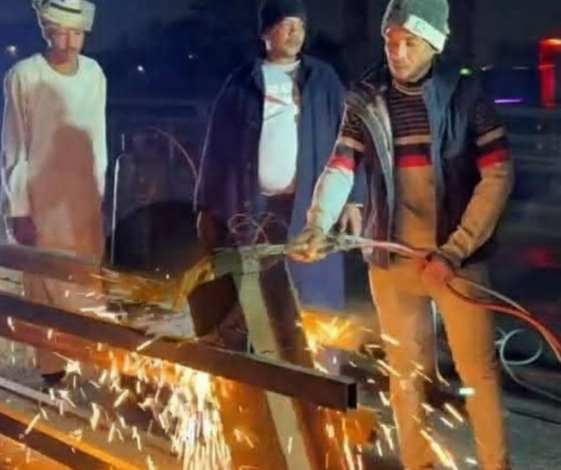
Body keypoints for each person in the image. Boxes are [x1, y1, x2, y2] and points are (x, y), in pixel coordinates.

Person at [292, 0, 513, 469]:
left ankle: (496, 464)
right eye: (391, 41)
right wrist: (317, 224)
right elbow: (341, 165)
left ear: (434, 44)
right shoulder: (366, 97)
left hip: (458, 260)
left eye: (409, 42)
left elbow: (498, 176)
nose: (397, 52)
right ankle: (418, 463)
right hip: (392, 260)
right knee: (405, 373)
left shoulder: (466, 95)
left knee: (478, 371)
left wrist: (455, 251)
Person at [194, 0, 360, 365]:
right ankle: (259, 372)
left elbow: (350, 138)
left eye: (300, 25)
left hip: (308, 207)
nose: (295, 32)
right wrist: (206, 205)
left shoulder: (323, 80)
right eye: (286, 24)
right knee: (252, 291)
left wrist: (353, 199)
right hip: (253, 206)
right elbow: (216, 146)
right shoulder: (242, 83)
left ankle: (320, 375)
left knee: (311, 294)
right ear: (265, 32)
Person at [0, 0, 107, 385]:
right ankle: (51, 368)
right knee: (43, 283)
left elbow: (98, 136)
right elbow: (14, 146)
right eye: (61, 32)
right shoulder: (24, 75)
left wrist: (101, 190)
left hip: (83, 199)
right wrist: (18, 208)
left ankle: (92, 363)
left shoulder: (94, 73)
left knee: (86, 282)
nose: (70, 41)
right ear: (46, 30)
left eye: (77, 33)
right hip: (40, 198)